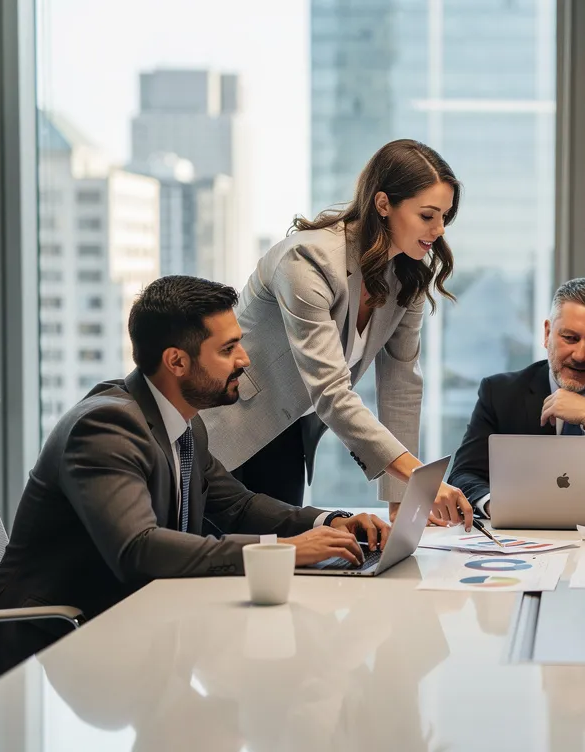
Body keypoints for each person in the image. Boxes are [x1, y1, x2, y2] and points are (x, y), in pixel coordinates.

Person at [0, 276, 391, 689]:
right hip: (49, 646)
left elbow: (237, 506)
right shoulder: (106, 427)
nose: (245, 360)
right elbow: (138, 548)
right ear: (177, 361)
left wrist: (329, 521)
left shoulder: (183, 425)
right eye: (229, 349)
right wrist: (280, 551)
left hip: (126, 628)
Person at [201, 139, 472, 528]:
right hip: (229, 428)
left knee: (283, 558)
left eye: (445, 216)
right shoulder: (307, 260)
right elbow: (330, 389)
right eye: (428, 215)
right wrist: (415, 475)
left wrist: (401, 500)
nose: (439, 229)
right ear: (383, 204)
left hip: (291, 433)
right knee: (228, 565)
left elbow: (401, 384)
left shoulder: (407, 277)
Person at [448, 278, 585, 516]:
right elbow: (464, 475)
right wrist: (498, 505)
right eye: (570, 338)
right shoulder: (500, 393)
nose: (579, 355)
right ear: (547, 334)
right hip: (525, 538)